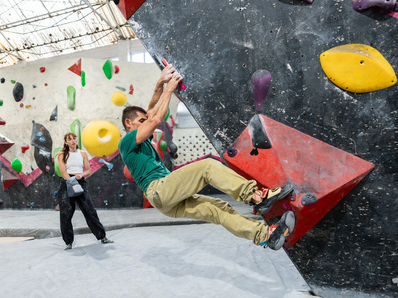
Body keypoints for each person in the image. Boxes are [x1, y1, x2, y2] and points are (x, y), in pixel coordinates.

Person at [118, 64, 296, 250]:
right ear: (128, 123)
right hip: (159, 190)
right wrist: (169, 89)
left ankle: (264, 235)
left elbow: (151, 112)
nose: (145, 123)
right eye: (140, 121)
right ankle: (256, 196)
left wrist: (159, 84)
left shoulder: (139, 139)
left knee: (218, 209)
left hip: (166, 201)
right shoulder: (126, 141)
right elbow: (154, 119)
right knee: (207, 167)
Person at [57, 132, 113, 250]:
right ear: (66, 142)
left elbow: (88, 171)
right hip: (67, 183)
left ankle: (102, 237)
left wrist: (81, 175)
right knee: (65, 213)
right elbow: (63, 172)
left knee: (90, 210)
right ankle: (68, 242)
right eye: (69, 139)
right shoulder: (61, 154)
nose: (72, 140)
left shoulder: (82, 153)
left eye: (74, 138)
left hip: (80, 182)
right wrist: (72, 182)